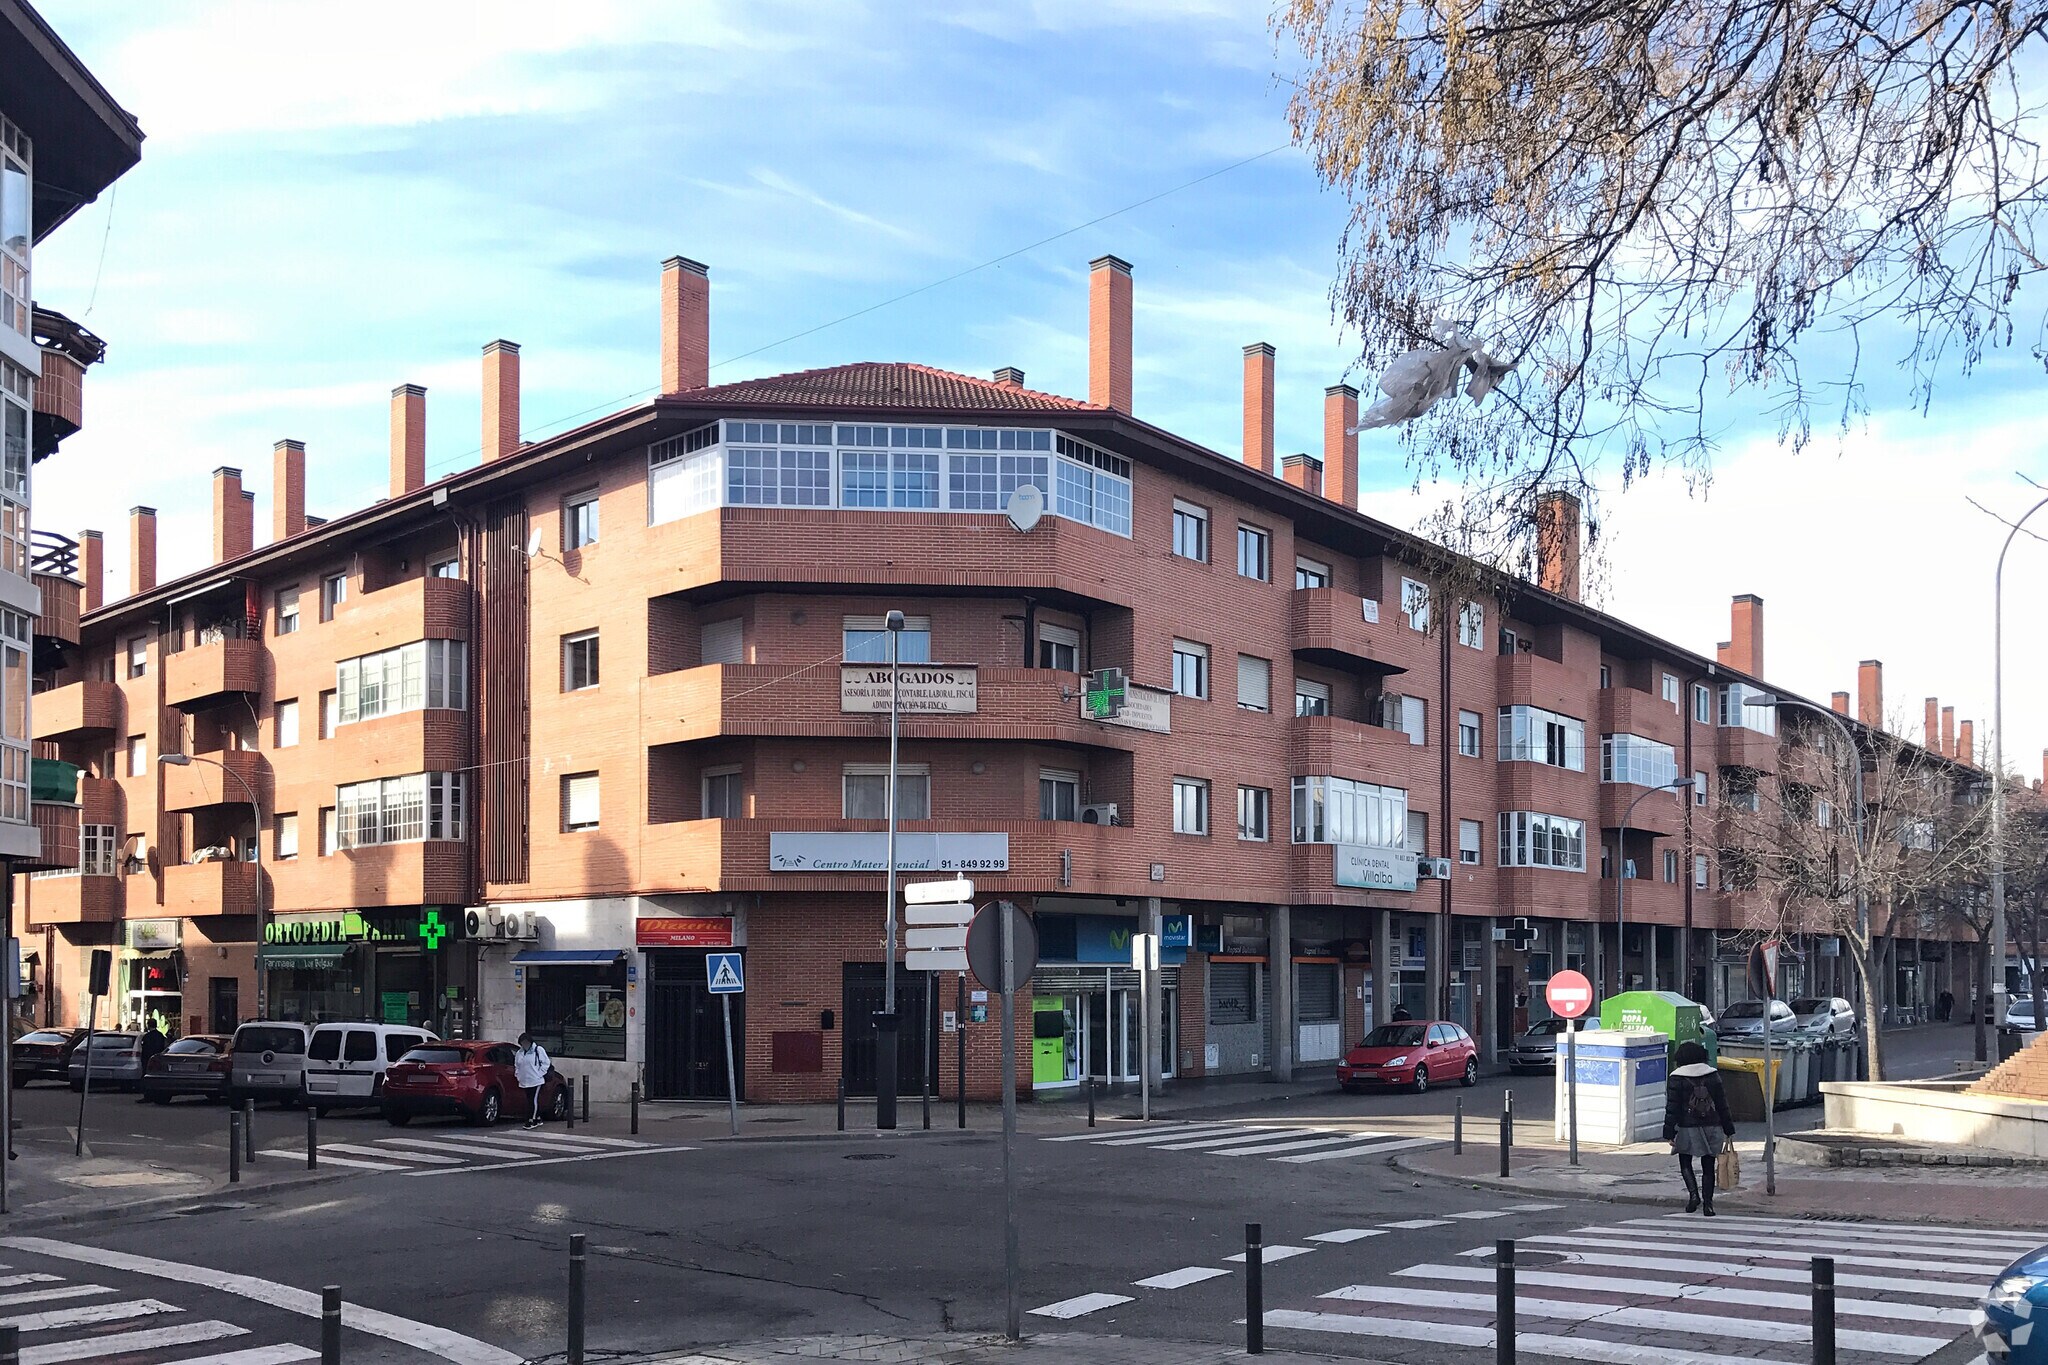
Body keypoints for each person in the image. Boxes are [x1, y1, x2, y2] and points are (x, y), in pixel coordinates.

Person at [1662, 1039, 1735, 1215]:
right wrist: (1728, 1129)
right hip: (1712, 1125)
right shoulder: (1713, 1075)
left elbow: (1672, 1107)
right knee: (1708, 1164)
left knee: (1685, 1161)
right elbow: (1722, 1104)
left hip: (1687, 1127)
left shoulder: (1676, 1077)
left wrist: (1669, 1132)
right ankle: (1708, 1205)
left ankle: (1694, 1195)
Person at [513, 1032, 551, 1129]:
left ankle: (531, 1120)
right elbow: (517, 1065)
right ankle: (537, 1118)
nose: (524, 1045)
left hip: (536, 1080)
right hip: (524, 1081)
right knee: (530, 1100)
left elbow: (546, 1063)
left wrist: (539, 1073)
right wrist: (518, 1075)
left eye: (526, 1042)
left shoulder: (538, 1050)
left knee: (533, 1100)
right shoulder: (519, 1053)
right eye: (522, 1043)